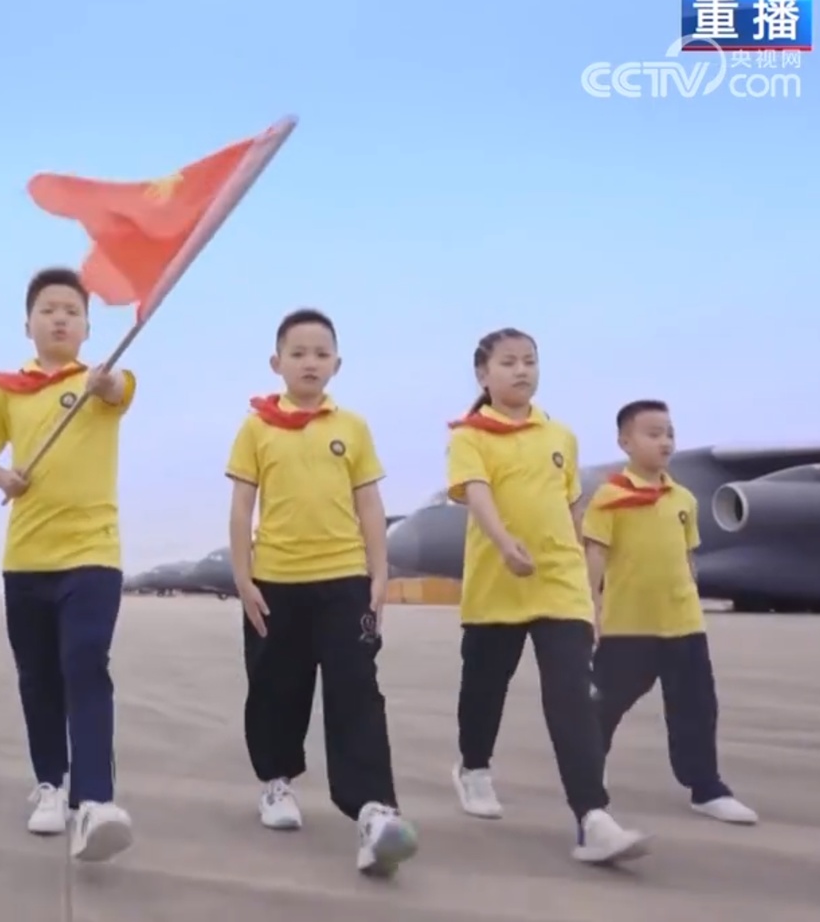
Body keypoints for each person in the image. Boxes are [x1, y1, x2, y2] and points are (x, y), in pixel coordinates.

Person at [224, 308, 419, 877]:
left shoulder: (351, 427)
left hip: (343, 581)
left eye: (321, 353)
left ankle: (374, 810)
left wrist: (379, 573)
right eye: (298, 353)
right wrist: (243, 576)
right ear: (277, 362)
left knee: (357, 689)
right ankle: (276, 783)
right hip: (275, 582)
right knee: (275, 687)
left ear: (337, 363)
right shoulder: (256, 429)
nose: (310, 362)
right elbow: (241, 505)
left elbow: (369, 503)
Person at [445, 327, 650, 864]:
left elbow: (573, 510)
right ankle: (473, 767)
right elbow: (477, 494)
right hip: (497, 583)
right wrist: (503, 542)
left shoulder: (560, 436)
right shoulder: (470, 437)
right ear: (483, 374)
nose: (522, 371)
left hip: (559, 584)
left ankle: (593, 818)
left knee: (571, 695)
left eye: (530, 361)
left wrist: (591, 586)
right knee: (484, 688)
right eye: (508, 362)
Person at [0, 266, 135, 862]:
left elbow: (117, 391)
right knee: (37, 676)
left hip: (92, 555)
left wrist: (105, 382)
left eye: (72, 311)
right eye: (48, 310)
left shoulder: (102, 380)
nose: (60, 319)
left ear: (87, 327)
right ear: (28, 324)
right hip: (26, 558)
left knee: (85, 664)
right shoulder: (8, 390)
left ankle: (96, 801)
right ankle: (49, 785)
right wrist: (1, 476)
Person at [582, 399, 757, 825]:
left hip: (683, 624)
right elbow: (595, 556)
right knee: (604, 705)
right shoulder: (609, 498)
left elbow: (687, 557)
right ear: (625, 442)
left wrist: (690, 597)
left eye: (670, 433)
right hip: (628, 626)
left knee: (697, 707)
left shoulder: (683, 499)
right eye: (653, 433)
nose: (665, 442)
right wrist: (590, 608)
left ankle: (706, 787)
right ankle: (586, 773)